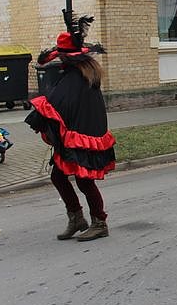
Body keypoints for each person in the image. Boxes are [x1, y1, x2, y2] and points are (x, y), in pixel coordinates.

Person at [25, 15, 116, 241]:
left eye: (63, 56)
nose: (60, 61)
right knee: (59, 176)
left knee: (84, 180)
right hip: (73, 137)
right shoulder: (76, 75)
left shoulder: (80, 78)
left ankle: (99, 222)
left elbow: (58, 104)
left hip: (82, 137)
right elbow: (59, 103)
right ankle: (76, 218)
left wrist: (41, 115)